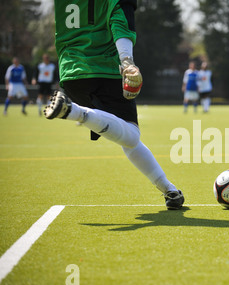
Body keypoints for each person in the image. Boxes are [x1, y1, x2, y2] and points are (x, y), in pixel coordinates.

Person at [44, 0, 184, 210]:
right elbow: (120, 22)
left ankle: (169, 190)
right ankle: (74, 112)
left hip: (72, 74)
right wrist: (127, 62)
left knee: (124, 136)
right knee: (131, 134)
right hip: (106, 70)